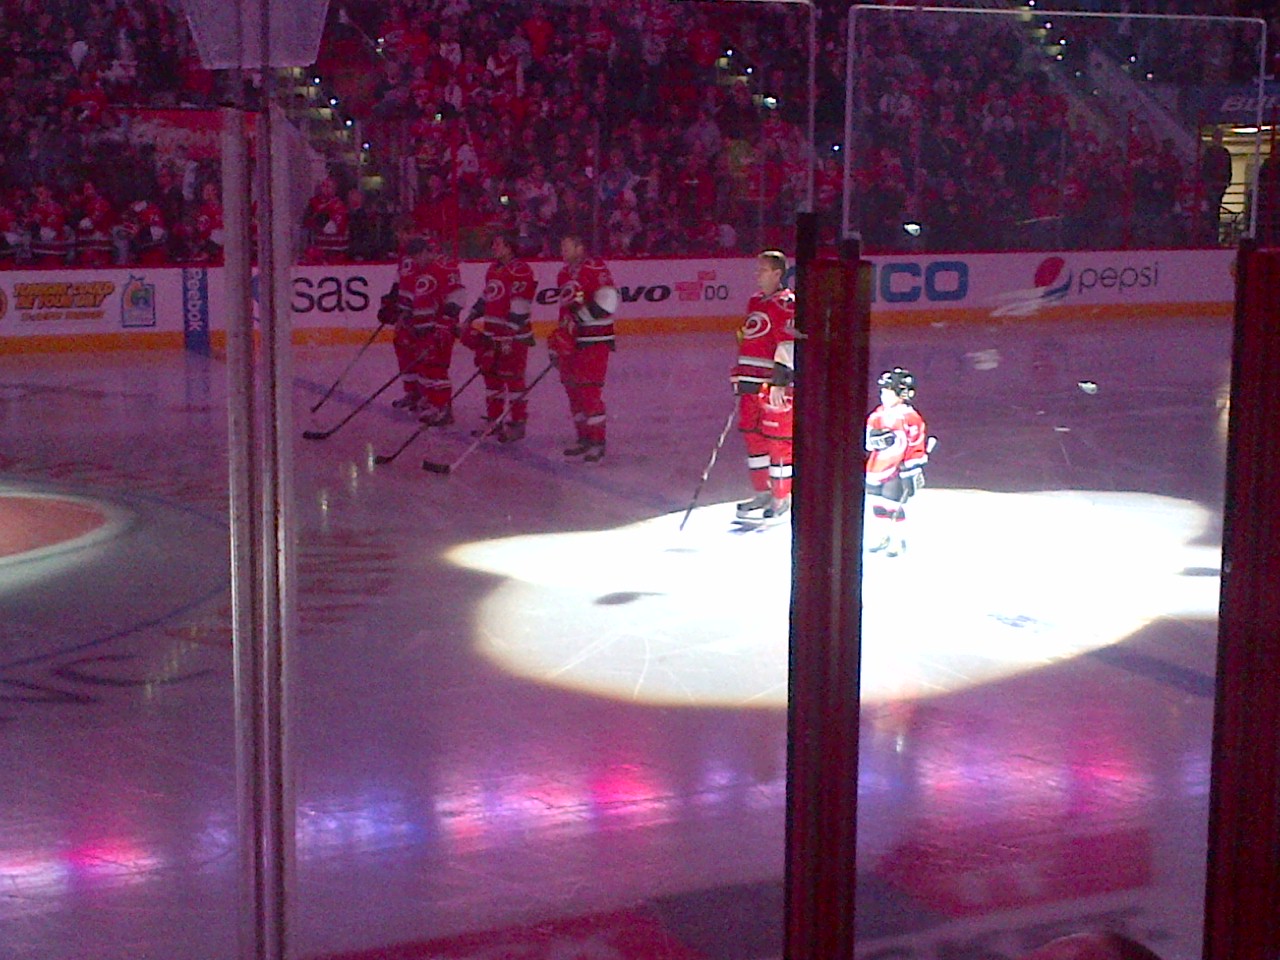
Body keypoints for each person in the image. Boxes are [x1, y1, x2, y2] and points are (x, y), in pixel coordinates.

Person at [731, 250, 795, 520]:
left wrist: (780, 382)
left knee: (778, 441)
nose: (757, 275)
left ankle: (782, 497)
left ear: (777, 273)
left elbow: (789, 343)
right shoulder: (755, 301)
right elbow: (750, 338)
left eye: (763, 270)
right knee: (752, 436)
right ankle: (762, 492)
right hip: (749, 383)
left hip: (771, 386)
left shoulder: (786, 303)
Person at [459, 231, 538, 442]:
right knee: (491, 379)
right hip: (493, 335)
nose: (494, 248)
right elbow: (487, 297)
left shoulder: (521, 270)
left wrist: (510, 334)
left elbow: (521, 305)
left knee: (513, 380)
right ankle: (494, 420)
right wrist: (470, 318)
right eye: (493, 244)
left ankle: (517, 423)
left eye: (499, 244)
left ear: (510, 247)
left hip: (514, 337)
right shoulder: (493, 269)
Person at [548, 234, 618, 463]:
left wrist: (579, 319)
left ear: (580, 247)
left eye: (566, 246)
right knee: (574, 392)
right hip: (571, 343)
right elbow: (565, 311)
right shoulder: (563, 274)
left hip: (594, 342)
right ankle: (584, 438)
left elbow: (608, 302)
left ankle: (598, 441)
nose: (563, 251)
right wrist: (558, 339)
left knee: (589, 393)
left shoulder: (595, 268)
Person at [865, 367, 931, 557]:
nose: (883, 396)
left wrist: (912, 470)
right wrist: (874, 440)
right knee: (877, 503)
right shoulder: (878, 414)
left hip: (897, 469)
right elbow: (868, 440)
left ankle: (897, 539)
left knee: (893, 504)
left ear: (902, 394)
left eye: (888, 392)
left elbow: (915, 445)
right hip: (877, 467)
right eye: (882, 392)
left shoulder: (911, 418)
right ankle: (882, 535)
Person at [406, 233, 467, 426]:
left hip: (440, 328)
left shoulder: (444, 267)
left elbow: (457, 296)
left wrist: (447, 322)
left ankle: (444, 408)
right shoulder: (423, 270)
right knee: (426, 366)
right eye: (413, 258)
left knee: (437, 367)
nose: (416, 261)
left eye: (418, 255)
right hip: (424, 328)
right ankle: (432, 401)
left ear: (426, 251)